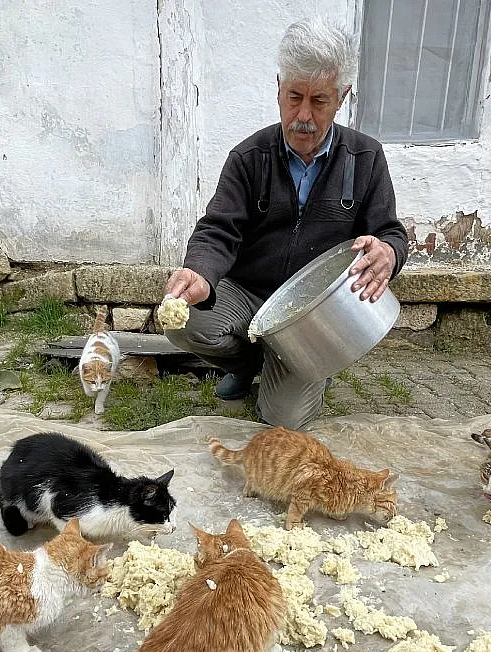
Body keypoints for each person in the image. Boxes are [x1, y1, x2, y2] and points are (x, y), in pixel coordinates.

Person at [163, 18, 408, 430]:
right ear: (278, 88)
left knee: (283, 420)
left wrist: (389, 252)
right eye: (294, 97)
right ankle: (250, 364)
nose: (303, 116)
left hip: (313, 316)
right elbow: (218, 228)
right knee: (187, 324)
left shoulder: (365, 158)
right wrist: (200, 272)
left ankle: (305, 366)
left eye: (319, 100)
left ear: (342, 97)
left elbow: (390, 232)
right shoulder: (249, 157)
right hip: (249, 294)